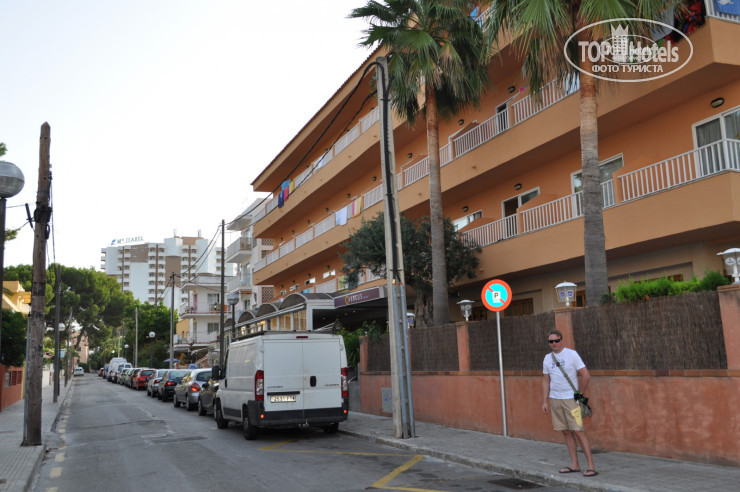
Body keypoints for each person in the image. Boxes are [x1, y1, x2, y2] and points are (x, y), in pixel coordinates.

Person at [542, 329, 597, 477]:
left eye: (556, 340)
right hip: (555, 399)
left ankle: (591, 466)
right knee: (565, 431)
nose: (554, 343)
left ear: (561, 340)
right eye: (551, 341)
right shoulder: (547, 358)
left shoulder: (572, 354)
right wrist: (544, 401)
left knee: (578, 431)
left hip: (571, 400)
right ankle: (574, 464)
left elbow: (586, 375)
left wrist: (580, 394)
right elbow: (546, 381)